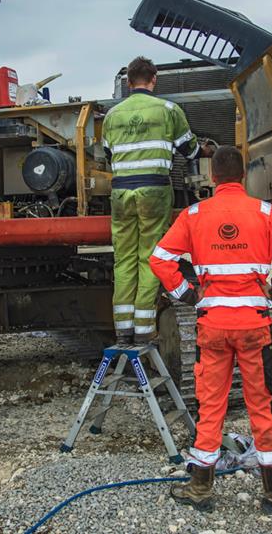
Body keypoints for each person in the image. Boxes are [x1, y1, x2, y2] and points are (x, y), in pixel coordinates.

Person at [149, 145, 272, 513]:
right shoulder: (266, 213)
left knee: (211, 407)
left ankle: (199, 488)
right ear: (243, 176)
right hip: (255, 327)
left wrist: (187, 294)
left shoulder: (194, 215)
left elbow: (159, 259)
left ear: (213, 177)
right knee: (263, 408)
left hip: (213, 327)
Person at [102, 56, 213, 345]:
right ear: (154, 80)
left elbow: (107, 155)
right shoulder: (168, 110)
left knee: (124, 259)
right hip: (153, 191)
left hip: (120, 193)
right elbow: (189, 151)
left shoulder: (113, 115)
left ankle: (122, 330)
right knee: (151, 258)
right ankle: (143, 331)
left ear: (128, 83)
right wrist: (209, 150)